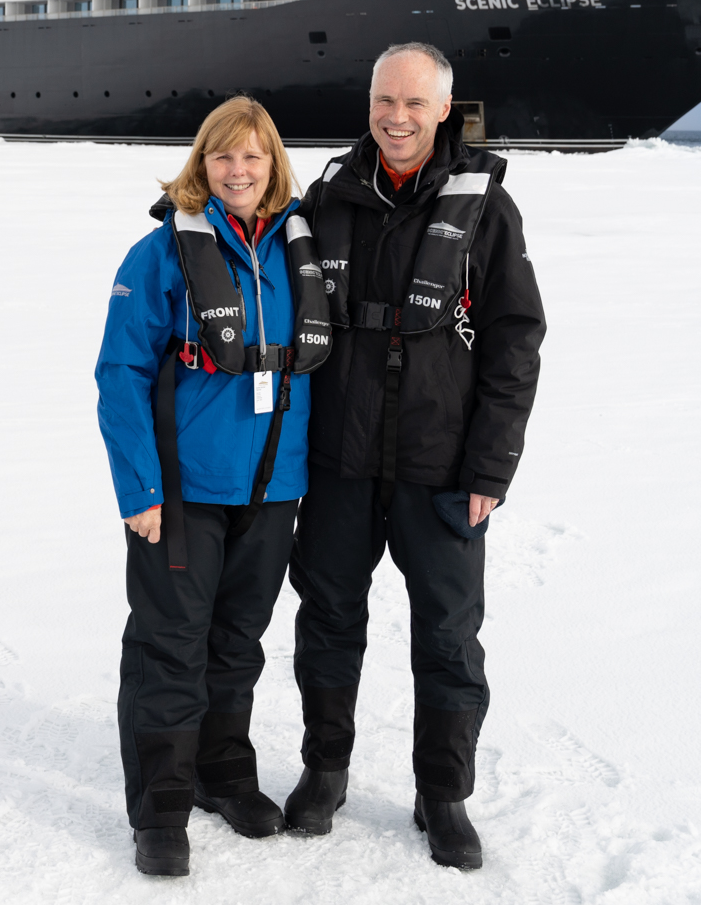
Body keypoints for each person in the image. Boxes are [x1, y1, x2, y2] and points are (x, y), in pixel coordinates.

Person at [284, 43, 545, 871]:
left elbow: (515, 341)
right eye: (382, 101)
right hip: (339, 461)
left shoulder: (486, 210)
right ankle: (324, 771)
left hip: (443, 468)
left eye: (413, 103)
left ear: (444, 109)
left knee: (447, 639)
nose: (395, 118)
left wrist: (491, 468)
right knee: (327, 624)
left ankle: (444, 796)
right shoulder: (329, 195)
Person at [95, 97, 332, 878]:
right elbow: (121, 375)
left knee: (237, 645)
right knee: (169, 648)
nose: (238, 170)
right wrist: (139, 489)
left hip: (273, 491)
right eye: (223, 156)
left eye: (253, 157)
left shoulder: (300, 250)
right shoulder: (159, 254)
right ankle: (160, 807)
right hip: (184, 494)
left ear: (274, 167)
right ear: (202, 164)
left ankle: (223, 771)